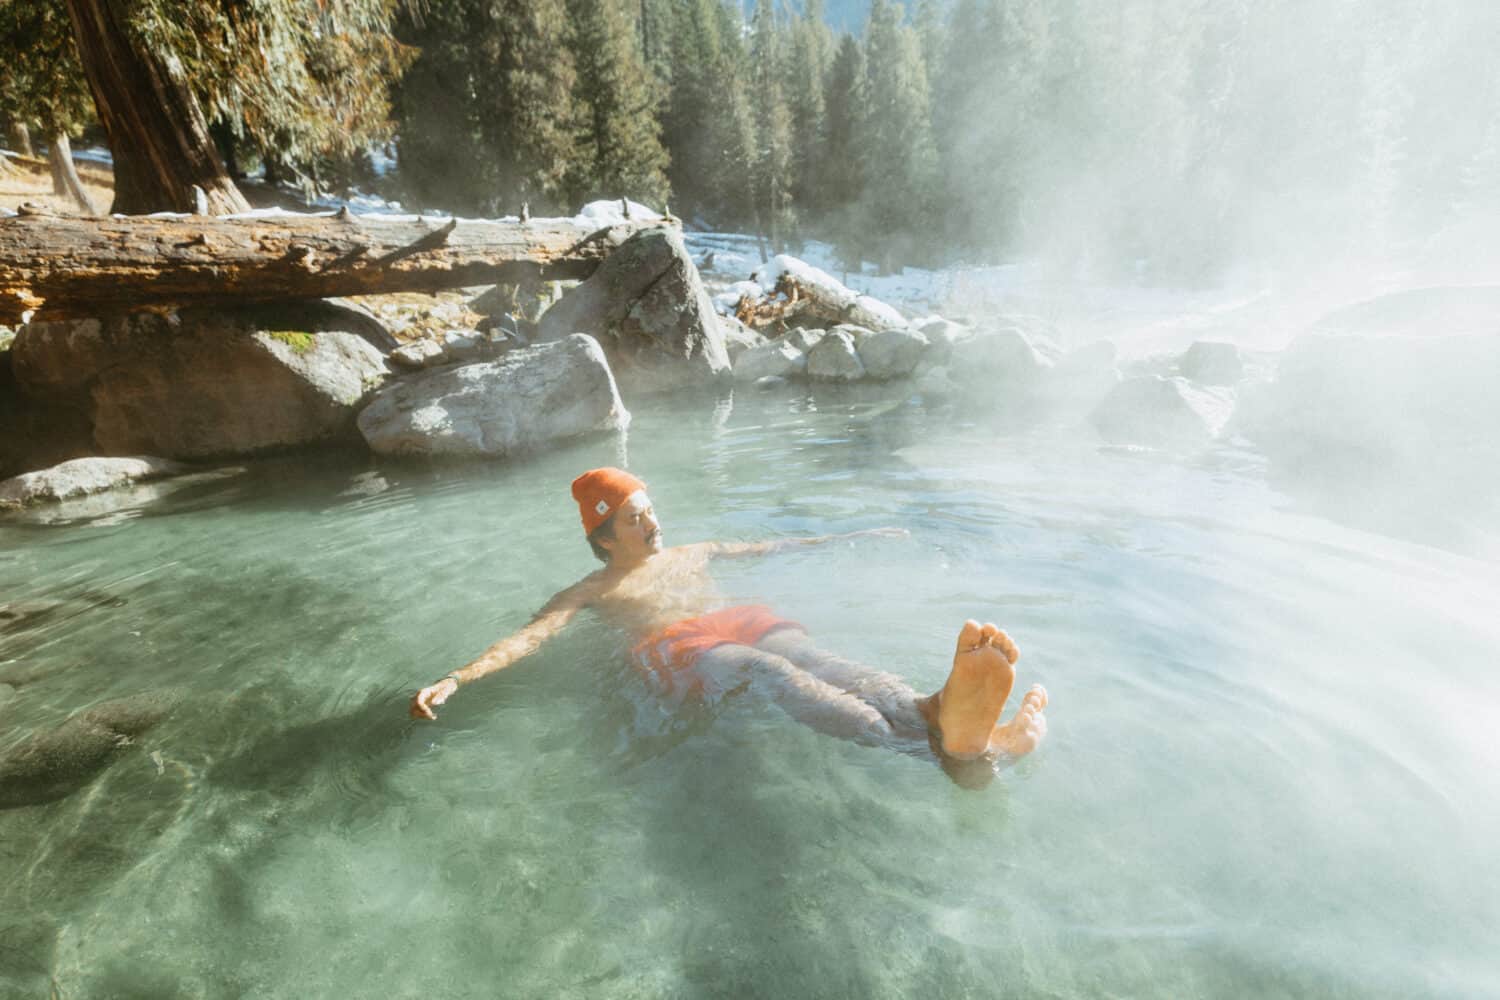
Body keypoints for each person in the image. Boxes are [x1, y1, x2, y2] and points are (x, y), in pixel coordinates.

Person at [410, 468, 1048, 769]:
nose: (653, 522)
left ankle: (935, 710)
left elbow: (782, 546)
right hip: (673, 647)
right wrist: (460, 678)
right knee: (767, 667)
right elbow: (533, 635)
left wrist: (858, 533)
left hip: (732, 618)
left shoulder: (697, 551)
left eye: (651, 509)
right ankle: (936, 748)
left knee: (815, 657)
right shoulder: (595, 587)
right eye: (634, 518)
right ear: (604, 537)